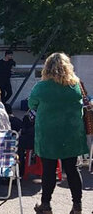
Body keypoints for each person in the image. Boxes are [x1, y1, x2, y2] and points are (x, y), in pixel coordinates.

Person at [29, 53, 88, 214]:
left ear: (47, 68)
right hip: (71, 133)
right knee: (72, 169)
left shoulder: (41, 87)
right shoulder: (75, 85)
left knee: (49, 170)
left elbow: (31, 103)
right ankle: (77, 205)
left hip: (49, 134)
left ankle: (46, 205)